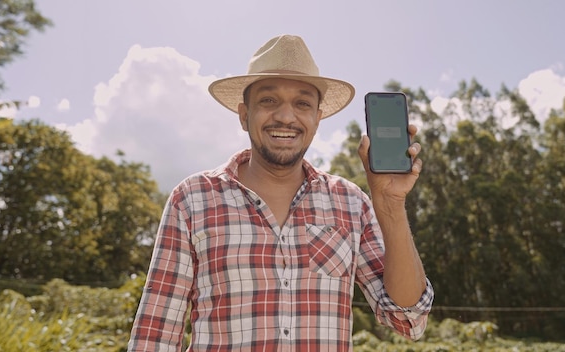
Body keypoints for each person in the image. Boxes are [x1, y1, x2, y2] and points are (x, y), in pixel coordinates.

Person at [128, 34, 434, 352]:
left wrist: (390, 203)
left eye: (302, 103)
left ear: (317, 118)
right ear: (244, 115)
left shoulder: (351, 203)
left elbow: (408, 318)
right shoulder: (192, 199)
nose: (286, 117)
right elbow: (155, 336)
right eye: (269, 101)